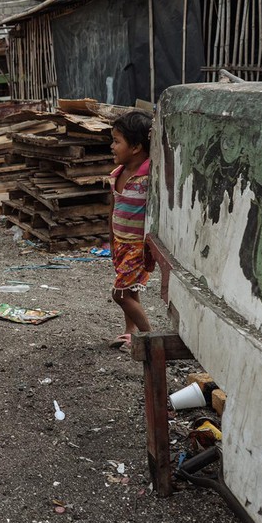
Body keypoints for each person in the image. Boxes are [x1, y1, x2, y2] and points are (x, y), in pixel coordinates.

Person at [107, 111, 154, 351]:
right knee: (131, 291)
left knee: (121, 294)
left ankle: (152, 340)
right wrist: (111, 240)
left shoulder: (149, 175)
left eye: (117, 141)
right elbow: (114, 209)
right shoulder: (118, 174)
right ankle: (130, 333)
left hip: (138, 245)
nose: (112, 146)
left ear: (136, 147)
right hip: (121, 243)